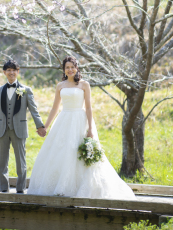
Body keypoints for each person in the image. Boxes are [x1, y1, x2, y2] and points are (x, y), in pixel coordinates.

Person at [28, 56, 136, 199]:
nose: (70, 70)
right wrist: (45, 126)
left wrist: (90, 128)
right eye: (67, 67)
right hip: (64, 120)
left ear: (77, 68)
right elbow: (55, 108)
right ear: (64, 70)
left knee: (78, 152)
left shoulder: (84, 85)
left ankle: (84, 188)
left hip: (80, 120)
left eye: (72, 67)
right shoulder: (60, 86)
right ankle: (61, 187)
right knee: (63, 152)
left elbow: (89, 108)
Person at [0, 59, 46, 193]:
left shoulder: (25, 90)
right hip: (2, 130)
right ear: (4, 72)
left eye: (14, 70)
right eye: (8, 70)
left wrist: (40, 126)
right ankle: (3, 188)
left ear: (18, 72)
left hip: (19, 130)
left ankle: (20, 188)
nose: (11, 73)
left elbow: (34, 110)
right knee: (2, 161)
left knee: (21, 161)